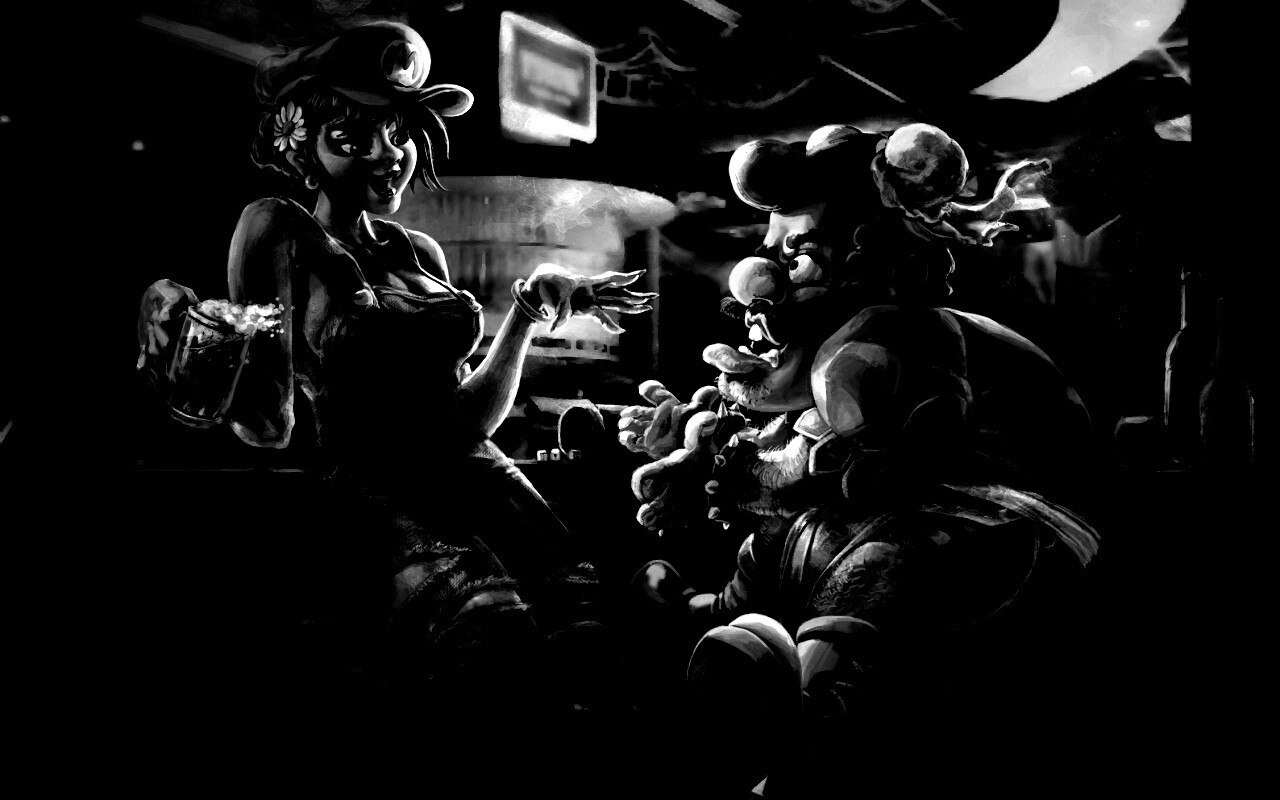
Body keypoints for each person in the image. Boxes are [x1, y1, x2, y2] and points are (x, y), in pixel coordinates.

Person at [135, 21, 653, 731]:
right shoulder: (278, 228)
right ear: (300, 145)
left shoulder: (421, 251)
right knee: (492, 649)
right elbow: (268, 425)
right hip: (376, 489)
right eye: (352, 137)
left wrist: (528, 314)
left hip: (479, 474)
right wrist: (188, 337)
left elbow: (466, 420)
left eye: (399, 132)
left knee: (590, 632)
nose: (388, 154)